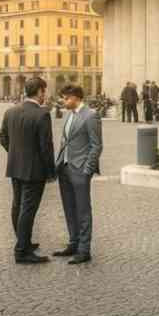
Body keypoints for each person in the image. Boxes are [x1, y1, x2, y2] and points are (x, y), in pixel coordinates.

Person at [0, 77, 55, 265]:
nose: (44, 96)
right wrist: (50, 172)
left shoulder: (10, 112)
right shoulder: (42, 114)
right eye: (43, 92)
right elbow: (46, 147)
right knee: (27, 209)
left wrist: (15, 154)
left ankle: (24, 242)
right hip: (34, 170)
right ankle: (22, 251)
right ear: (39, 91)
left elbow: (3, 138)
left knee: (17, 205)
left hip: (15, 166)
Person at [53, 84, 102, 265]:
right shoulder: (70, 115)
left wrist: (87, 170)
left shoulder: (91, 116)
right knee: (69, 208)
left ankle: (84, 249)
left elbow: (96, 145)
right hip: (65, 168)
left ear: (76, 97)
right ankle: (73, 243)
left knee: (83, 210)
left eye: (66, 98)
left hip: (80, 170)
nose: (64, 101)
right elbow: (65, 141)